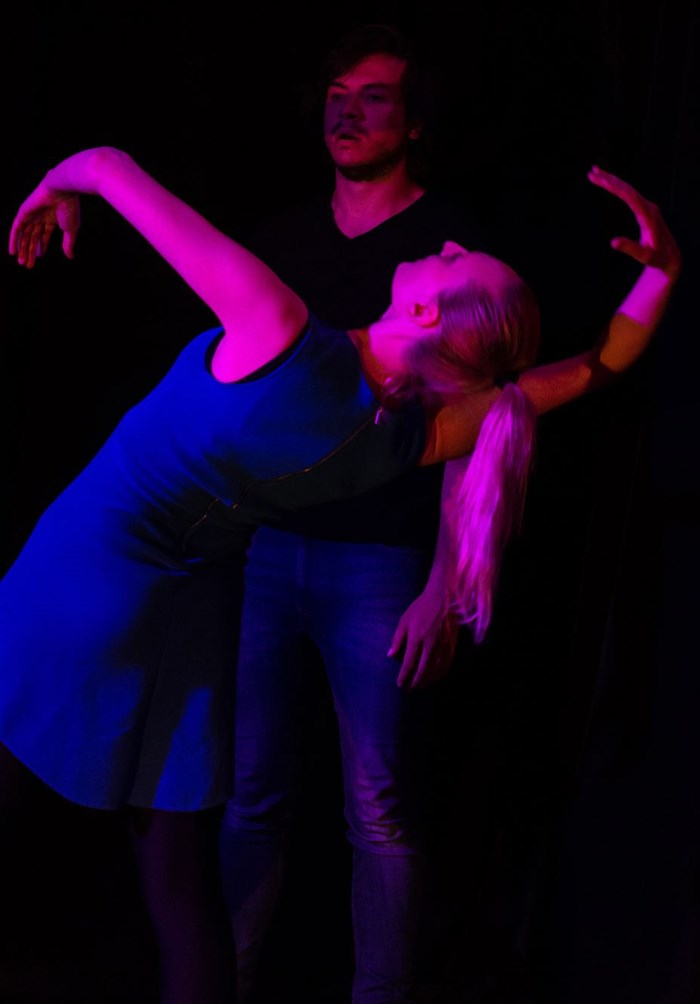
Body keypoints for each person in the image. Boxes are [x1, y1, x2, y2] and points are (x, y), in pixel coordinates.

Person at [3, 142, 679, 1004]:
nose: (444, 245)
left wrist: (49, 187)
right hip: (194, 613)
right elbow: (596, 369)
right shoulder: (414, 434)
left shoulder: (277, 328)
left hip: (89, 572)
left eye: (454, 258)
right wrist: (663, 274)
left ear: (426, 311)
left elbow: (105, 164)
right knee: (180, 884)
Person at [216, 24, 491, 1004]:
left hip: (377, 558)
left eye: (374, 96)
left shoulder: (446, 250)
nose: (348, 110)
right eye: (337, 93)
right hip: (266, 546)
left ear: (413, 122)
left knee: (376, 805)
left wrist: (445, 579)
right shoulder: (284, 240)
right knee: (250, 791)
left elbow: (478, 423)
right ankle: (225, 980)